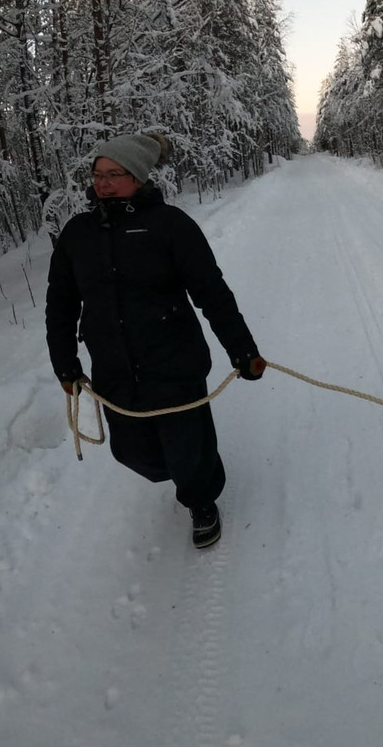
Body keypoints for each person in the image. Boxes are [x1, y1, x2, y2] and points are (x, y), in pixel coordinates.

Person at [45, 132, 265, 549]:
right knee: (134, 455)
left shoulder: (171, 226)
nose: (103, 183)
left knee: (186, 448)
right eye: (97, 174)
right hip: (113, 367)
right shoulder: (78, 233)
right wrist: (65, 362)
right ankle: (190, 469)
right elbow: (60, 302)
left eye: (115, 174)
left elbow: (212, 293)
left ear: (139, 177)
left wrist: (242, 349)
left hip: (173, 361)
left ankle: (201, 500)